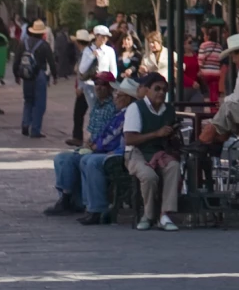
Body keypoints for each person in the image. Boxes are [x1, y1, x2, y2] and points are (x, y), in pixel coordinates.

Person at [45, 62, 125, 220]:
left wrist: (94, 146)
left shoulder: (114, 109)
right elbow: (94, 131)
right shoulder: (96, 106)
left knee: (83, 160)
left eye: (103, 84)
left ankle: (86, 204)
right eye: (97, 83)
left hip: (105, 149)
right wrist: (88, 143)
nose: (99, 87)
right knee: (62, 158)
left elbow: (110, 135)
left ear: (110, 88)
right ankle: (68, 197)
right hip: (95, 146)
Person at [124, 66, 183, 230]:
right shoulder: (136, 108)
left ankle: (165, 214)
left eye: (164, 90)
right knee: (149, 176)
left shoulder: (168, 110)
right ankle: (148, 215)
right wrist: (156, 134)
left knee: (173, 167)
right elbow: (129, 139)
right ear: (147, 90)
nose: (161, 93)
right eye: (157, 89)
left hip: (159, 152)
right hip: (136, 153)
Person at [16, 20, 53, 139]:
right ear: (42, 33)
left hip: (27, 75)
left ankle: (25, 123)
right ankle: (35, 130)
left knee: (28, 100)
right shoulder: (44, 45)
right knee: (39, 104)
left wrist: (17, 74)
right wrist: (55, 76)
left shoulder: (23, 43)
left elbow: (17, 59)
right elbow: (51, 61)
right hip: (39, 75)